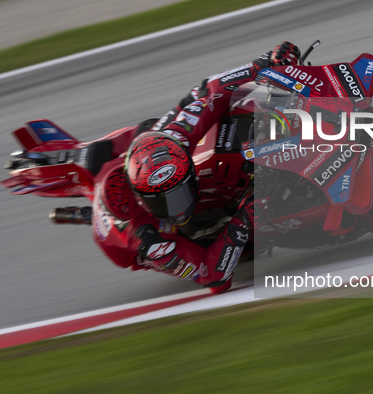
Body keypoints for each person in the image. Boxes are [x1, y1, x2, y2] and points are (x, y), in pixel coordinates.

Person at [90, 41, 301, 293]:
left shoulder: (177, 137)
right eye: (166, 201)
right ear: (144, 200)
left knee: (178, 109)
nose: (179, 204)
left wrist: (265, 63)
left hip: (139, 153)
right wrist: (243, 221)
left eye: (180, 191)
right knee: (242, 241)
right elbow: (213, 277)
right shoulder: (149, 239)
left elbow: (215, 89)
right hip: (140, 242)